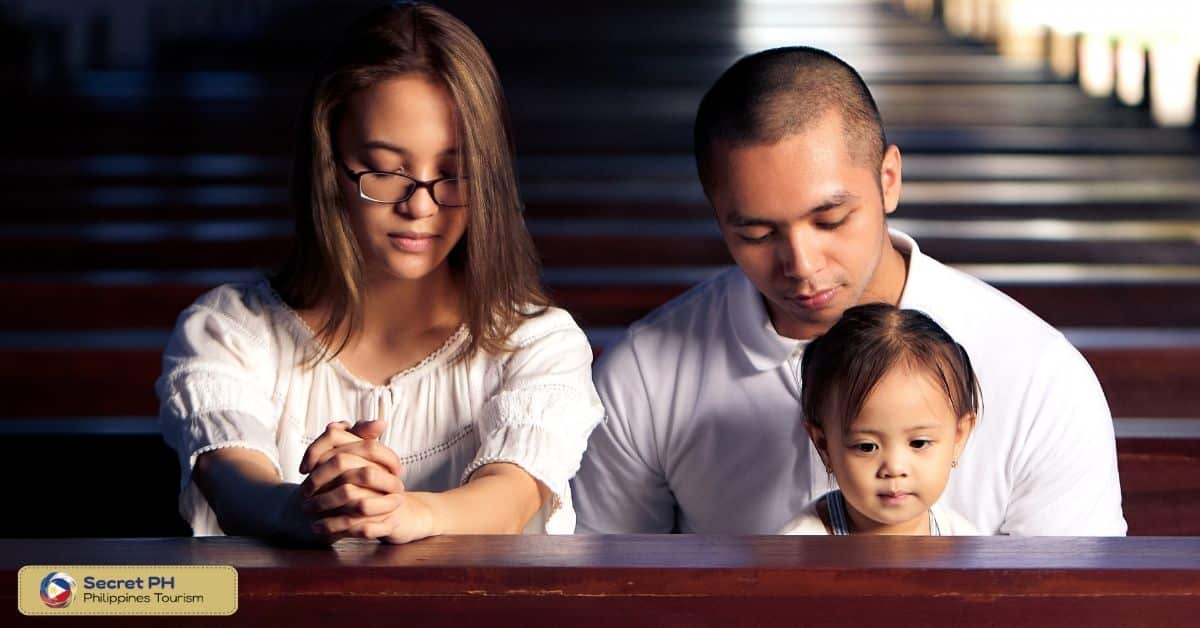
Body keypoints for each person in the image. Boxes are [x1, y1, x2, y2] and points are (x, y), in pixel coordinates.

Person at [572, 46, 1126, 535]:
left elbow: (1073, 603)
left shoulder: (1037, 372)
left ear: (888, 180)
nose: (802, 266)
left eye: (831, 219)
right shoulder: (644, 375)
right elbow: (604, 592)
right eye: (757, 233)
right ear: (718, 219)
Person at [157, 1, 603, 544]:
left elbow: (511, 494)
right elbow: (233, 482)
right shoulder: (230, 332)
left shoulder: (537, 342)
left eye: (454, 172)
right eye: (388, 170)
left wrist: (407, 514)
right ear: (331, 166)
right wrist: (306, 507)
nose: (420, 206)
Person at [778, 303, 980, 536]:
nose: (894, 468)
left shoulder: (966, 543)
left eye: (919, 443)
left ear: (958, 437)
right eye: (866, 447)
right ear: (823, 445)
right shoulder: (799, 550)